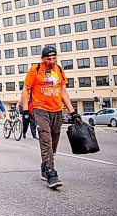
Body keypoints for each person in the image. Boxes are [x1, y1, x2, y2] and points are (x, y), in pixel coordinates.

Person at [22, 46, 80, 189]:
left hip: (57, 110)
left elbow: (63, 93)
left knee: (54, 139)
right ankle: (50, 172)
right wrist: (25, 110)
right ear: (42, 59)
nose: (52, 61)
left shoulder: (59, 70)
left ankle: (45, 165)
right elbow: (26, 89)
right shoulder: (35, 70)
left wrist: (73, 112)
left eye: (54, 58)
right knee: (45, 139)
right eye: (48, 59)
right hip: (40, 109)